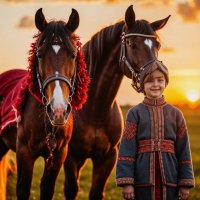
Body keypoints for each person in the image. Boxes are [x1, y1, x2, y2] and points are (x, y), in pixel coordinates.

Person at [116, 60, 195, 200]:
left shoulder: (176, 114)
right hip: (142, 178)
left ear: (165, 83)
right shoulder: (135, 113)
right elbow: (127, 148)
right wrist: (127, 182)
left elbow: (184, 150)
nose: (155, 85)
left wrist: (185, 183)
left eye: (160, 80)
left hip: (171, 178)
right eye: (150, 81)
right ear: (142, 85)